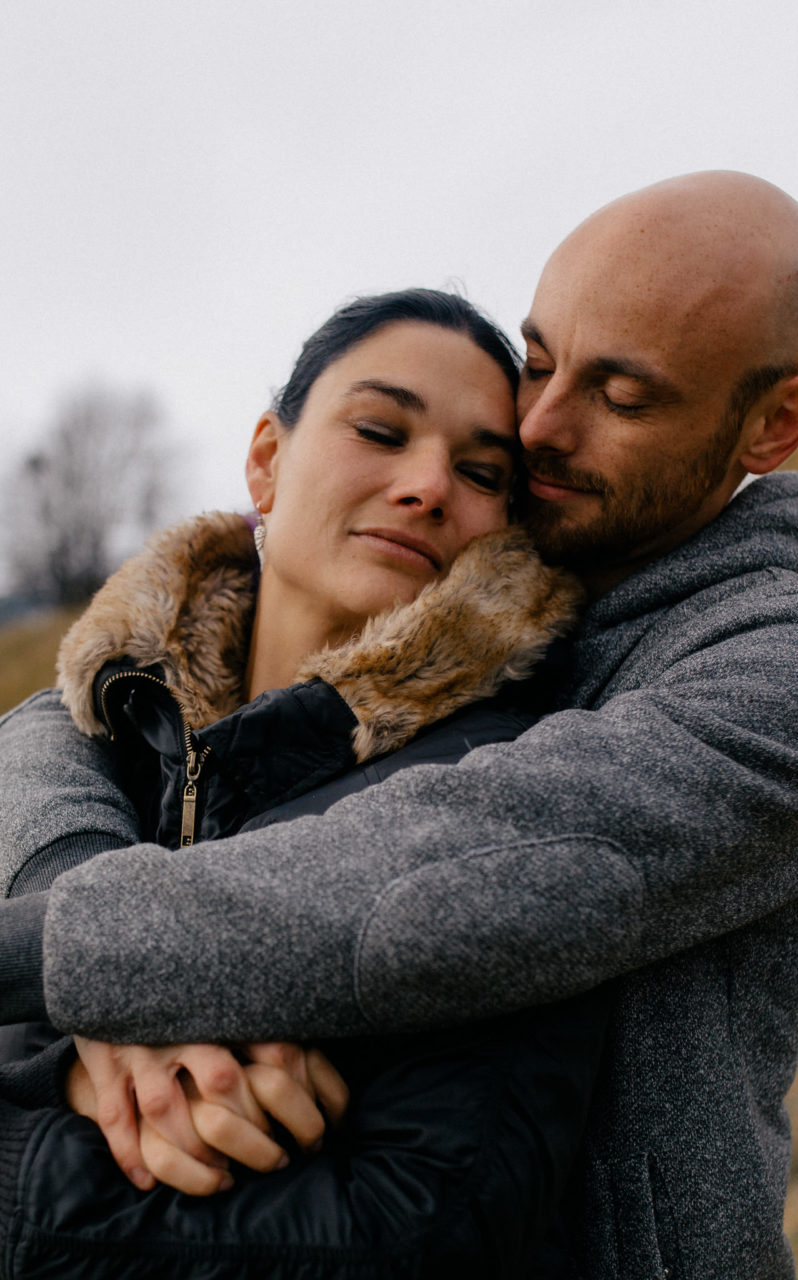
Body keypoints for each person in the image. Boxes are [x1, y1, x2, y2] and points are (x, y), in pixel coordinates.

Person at [2, 170, 798, 1277]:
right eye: (538, 362)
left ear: (772, 424)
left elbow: (446, 866)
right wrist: (96, 986)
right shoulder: (505, 570)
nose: (539, 428)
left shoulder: (788, 669)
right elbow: (69, 709)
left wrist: (75, 963)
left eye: (621, 396)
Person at [0, 288, 602, 1277]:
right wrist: (91, 1052)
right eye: (380, 429)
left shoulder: (497, 790)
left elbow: (419, 1229)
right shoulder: (96, 744)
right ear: (266, 460)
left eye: (481, 472)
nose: (427, 485)